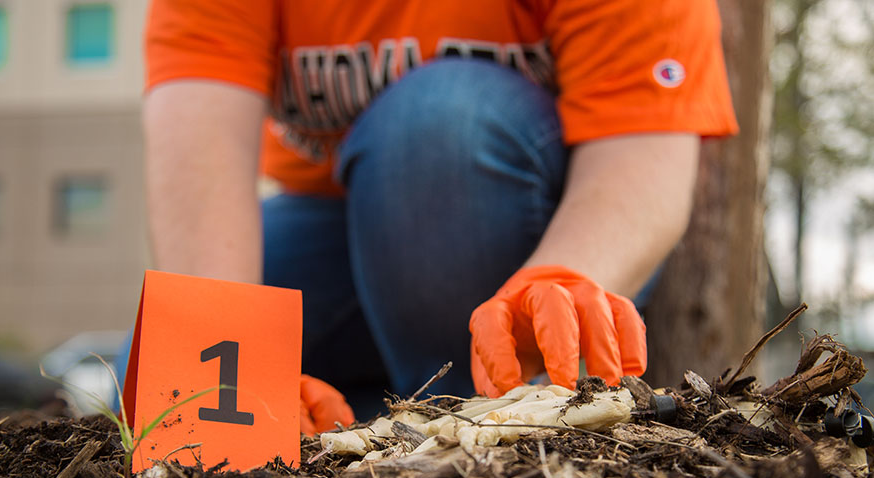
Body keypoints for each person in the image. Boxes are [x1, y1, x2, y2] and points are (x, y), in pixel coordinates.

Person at [141, 0, 738, 434]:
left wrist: (565, 273)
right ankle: (368, 424)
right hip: (336, 227)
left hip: (536, 222)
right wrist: (230, 361)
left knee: (434, 131)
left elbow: (641, 158)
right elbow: (199, 149)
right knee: (156, 382)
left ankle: (473, 427)